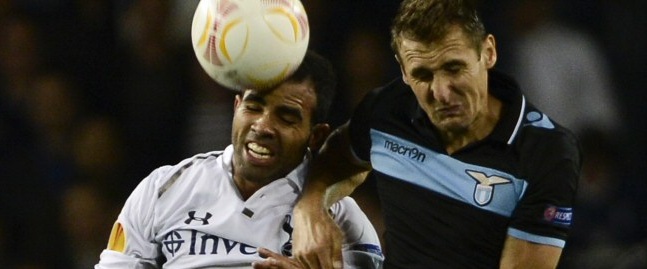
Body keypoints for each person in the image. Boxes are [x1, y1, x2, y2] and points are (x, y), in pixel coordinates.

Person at [291, 1, 582, 268]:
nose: (441, 92)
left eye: (454, 68)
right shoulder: (385, 112)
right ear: (403, 71)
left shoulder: (546, 150)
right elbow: (332, 161)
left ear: (488, 52)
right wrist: (310, 207)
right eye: (422, 75)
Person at [94, 51, 384, 269]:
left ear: (316, 136)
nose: (262, 126)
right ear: (236, 107)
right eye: (254, 106)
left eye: (286, 117)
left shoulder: (343, 222)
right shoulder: (163, 189)